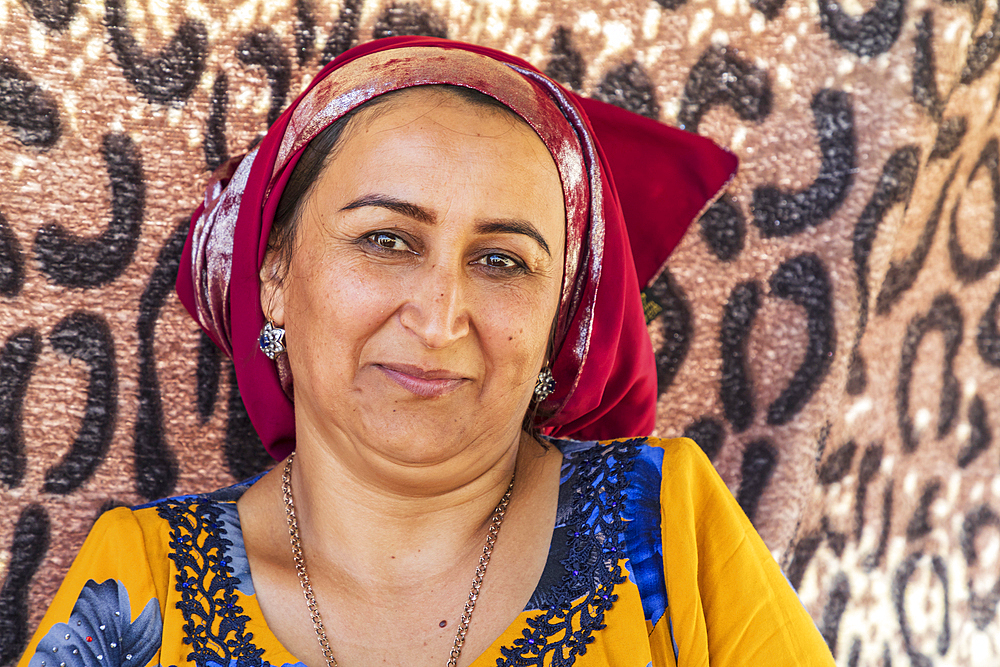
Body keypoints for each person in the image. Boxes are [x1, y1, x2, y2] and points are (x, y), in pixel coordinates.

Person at [19, 37, 835, 667]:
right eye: (385, 239)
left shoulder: (668, 524)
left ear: (559, 319)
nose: (441, 315)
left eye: (503, 259)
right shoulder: (143, 580)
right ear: (275, 277)